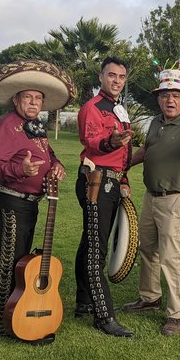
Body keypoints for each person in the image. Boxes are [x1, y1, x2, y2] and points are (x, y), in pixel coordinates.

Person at [0, 60, 75, 339]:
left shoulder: (35, 126)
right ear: (16, 99)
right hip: (11, 201)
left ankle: (20, 314)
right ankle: (4, 324)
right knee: (9, 262)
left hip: (31, 203)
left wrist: (56, 165)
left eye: (38, 98)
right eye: (28, 97)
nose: (34, 102)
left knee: (23, 263)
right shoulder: (6, 126)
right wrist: (19, 170)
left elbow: (49, 154)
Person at [121, 66, 180, 336]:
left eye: (175, 95)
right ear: (158, 98)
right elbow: (148, 151)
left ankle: (176, 313)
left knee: (171, 257)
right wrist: (122, 164)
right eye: (165, 95)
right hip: (151, 196)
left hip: (175, 199)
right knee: (148, 248)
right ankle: (150, 297)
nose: (170, 100)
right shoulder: (156, 122)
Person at [74, 56, 135, 337]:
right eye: (112, 75)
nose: (117, 81)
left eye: (122, 77)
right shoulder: (93, 107)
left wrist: (124, 179)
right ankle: (104, 315)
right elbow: (93, 143)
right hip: (95, 180)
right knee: (96, 249)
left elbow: (123, 153)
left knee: (91, 240)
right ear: (101, 77)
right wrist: (110, 141)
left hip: (111, 181)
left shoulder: (119, 109)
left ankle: (83, 301)